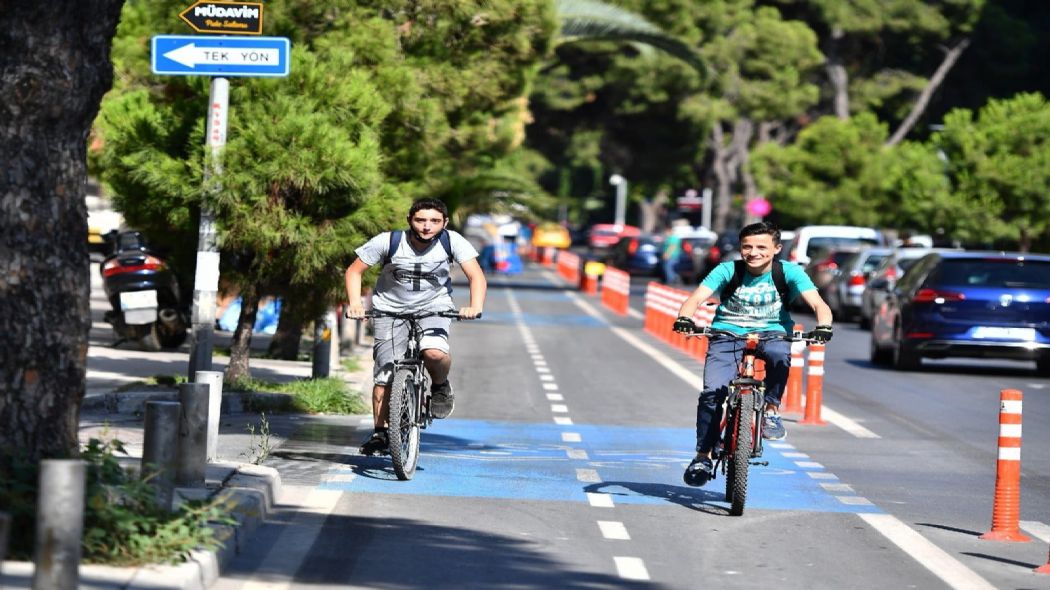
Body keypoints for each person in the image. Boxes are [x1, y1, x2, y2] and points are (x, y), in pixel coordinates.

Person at [672, 222, 833, 487]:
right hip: (727, 333)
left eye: (761, 247)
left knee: (780, 357)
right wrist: (684, 317)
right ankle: (702, 455)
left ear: (776, 249)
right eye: (747, 246)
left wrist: (824, 326)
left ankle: (770, 409)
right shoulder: (727, 269)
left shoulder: (789, 272)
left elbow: (818, 304)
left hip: (773, 332)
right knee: (712, 393)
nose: (753, 252)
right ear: (740, 248)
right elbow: (697, 297)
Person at [344, 198, 486, 456]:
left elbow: (476, 276)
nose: (427, 227)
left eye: (434, 221)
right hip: (389, 310)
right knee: (385, 373)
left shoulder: (452, 241)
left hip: (434, 308)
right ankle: (380, 433)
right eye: (421, 220)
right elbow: (354, 272)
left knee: (434, 352)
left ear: (444, 222)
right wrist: (355, 303)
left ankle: (440, 385)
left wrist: (473, 306)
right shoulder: (388, 242)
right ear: (410, 220)